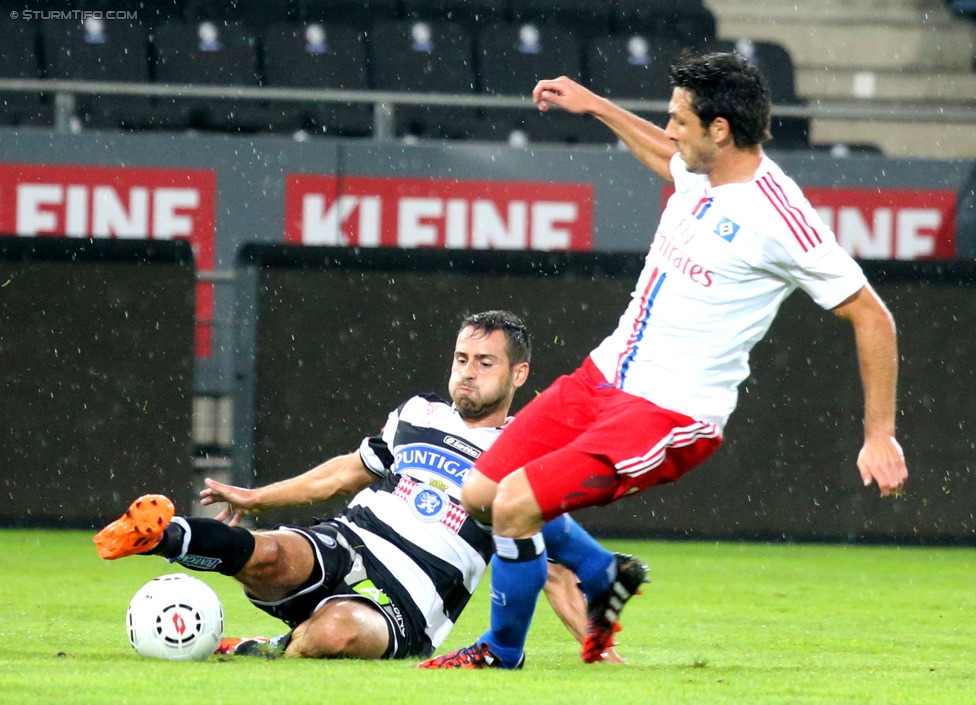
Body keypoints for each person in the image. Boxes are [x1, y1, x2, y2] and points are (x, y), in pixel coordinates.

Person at [418, 52, 908, 670]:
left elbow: (872, 316)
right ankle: (602, 573)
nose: (670, 129)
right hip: (606, 374)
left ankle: (500, 653)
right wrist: (595, 106)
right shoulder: (701, 168)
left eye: (680, 119)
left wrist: (879, 434)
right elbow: (665, 157)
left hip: (670, 411)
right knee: (481, 490)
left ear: (720, 129)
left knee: (516, 506)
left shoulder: (781, 218)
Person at [94, 310, 632, 662]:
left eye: (485, 363)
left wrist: (596, 643)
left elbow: (551, 568)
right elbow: (347, 472)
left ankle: (274, 647)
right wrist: (257, 497)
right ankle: (157, 535)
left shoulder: (528, 450)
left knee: (336, 633)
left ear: (518, 375)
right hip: (352, 538)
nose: (468, 373)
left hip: (412, 597)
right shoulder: (417, 414)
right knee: (270, 556)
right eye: (461, 359)